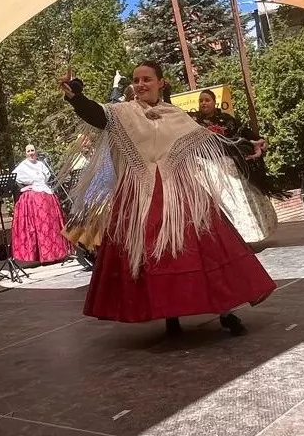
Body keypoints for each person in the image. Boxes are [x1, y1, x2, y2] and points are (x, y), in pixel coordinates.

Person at [60, 62, 276, 337]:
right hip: (139, 196)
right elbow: (94, 113)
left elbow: (209, 143)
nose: (140, 85)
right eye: (136, 80)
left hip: (181, 192)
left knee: (205, 249)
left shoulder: (176, 116)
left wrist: (246, 146)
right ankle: (170, 314)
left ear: (161, 83)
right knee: (155, 258)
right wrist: (75, 97)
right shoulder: (121, 113)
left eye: (147, 79)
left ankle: (226, 311)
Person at [190, 88, 278, 243]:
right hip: (205, 166)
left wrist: (259, 140)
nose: (203, 103)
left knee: (238, 200)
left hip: (229, 165)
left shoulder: (226, 119)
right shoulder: (193, 121)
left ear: (214, 102)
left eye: (207, 100)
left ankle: (246, 236)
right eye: (201, 101)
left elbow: (244, 131)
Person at [11, 144, 70, 264]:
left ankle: (56, 253)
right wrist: (26, 187)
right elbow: (15, 177)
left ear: (36, 152)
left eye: (33, 150)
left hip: (46, 195)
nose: (31, 153)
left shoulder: (41, 164)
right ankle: (42, 255)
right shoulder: (23, 166)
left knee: (51, 224)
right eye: (28, 151)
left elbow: (47, 177)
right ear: (25, 153)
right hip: (33, 197)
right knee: (38, 225)